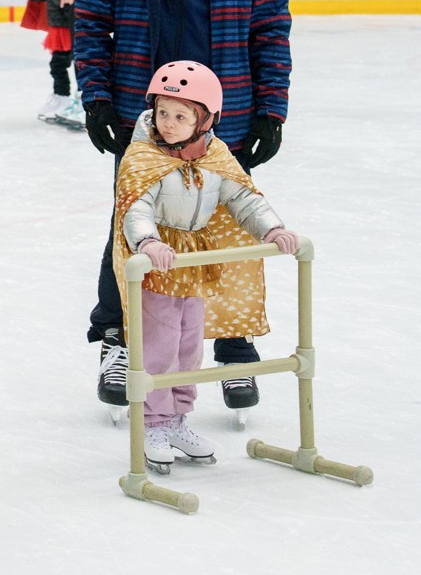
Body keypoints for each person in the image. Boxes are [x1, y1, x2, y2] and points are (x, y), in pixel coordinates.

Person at [73, 0, 292, 417]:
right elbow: (90, 20)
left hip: (225, 118)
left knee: (228, 229)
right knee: (132, 227)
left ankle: (234, 345)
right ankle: (119, 340)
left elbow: (271, 33)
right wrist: (96, 98)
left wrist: (271, 111)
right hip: (140, 116)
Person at [113, 61, 299, 472]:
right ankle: (153, 423)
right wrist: (148, 241)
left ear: (207, 120)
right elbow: (135, 206)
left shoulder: (215, 155)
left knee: (188, 347)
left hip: (195, 262)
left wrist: (272, 228)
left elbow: (243, 198)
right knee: (159, 348)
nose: (168, 123)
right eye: (162, 112)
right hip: (159, 264)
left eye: (181, 116)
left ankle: (177, 419)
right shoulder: (143, 156)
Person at [9, 0, 82, 130]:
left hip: (68, 29)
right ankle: (62, 97)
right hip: (59, 29)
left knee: (76, 66)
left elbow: (62, 1)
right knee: (58, 65)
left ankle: (79, 101)